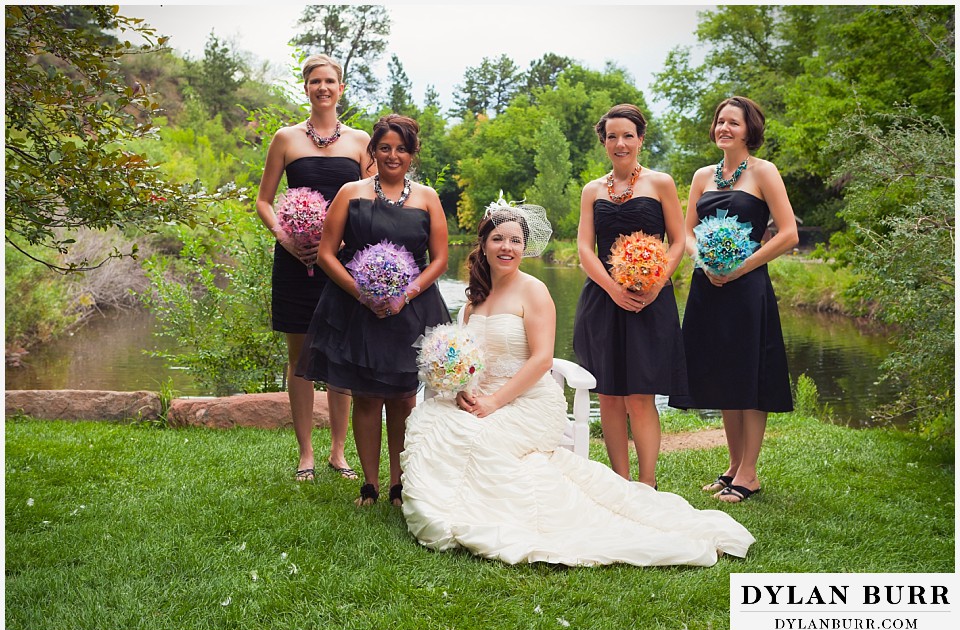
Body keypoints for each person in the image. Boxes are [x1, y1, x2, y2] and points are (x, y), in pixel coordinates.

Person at [400, 197, 754, 567]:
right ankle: (454, 501)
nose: (507, 247)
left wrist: (493, 402)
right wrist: (464, 391)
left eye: (515, 241)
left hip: (527, 402)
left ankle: (491, 511)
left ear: (525, 247)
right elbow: (467, 360)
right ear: (484, 245)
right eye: (498, 239)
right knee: (435, 422)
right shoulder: (473, 302)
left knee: (476, 438)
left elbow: (541, 360)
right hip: (480, 399)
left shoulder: (534, 291)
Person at [296, 114, 450, 507]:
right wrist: (361, 293)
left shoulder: (428, 198)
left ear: (412, 154)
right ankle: (369, 484)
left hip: (410, 309)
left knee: (403, 397)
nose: (392, 155)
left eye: (401, 149)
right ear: (373, 152)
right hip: (357, 308)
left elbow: (440, 260)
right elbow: (328, 254)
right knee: (365, 397)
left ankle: (398, 483)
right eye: (385, 148)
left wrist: (406, 294)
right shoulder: (351, 192)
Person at [669, 96, 798, 503]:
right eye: (720, 122)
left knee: (749, 374)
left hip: (747, 288)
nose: (724, 128)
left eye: (733, 123)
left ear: (749, 130)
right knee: (724, 374)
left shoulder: (764, 172)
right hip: (708, 285)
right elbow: (687, 231)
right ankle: (732, 465)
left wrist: (741, 267)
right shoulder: (702, 175)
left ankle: (750, 474)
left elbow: (788, 233)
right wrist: (702, 259)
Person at [255, 54, 371, 483]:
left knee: (339, 352)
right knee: (299, 356)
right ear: (305, 88)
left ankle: (338, 452)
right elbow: (264, 200)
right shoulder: (285, 138)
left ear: (341, 88)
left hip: (341, 261)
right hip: (295, 260)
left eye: (330, 81)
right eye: (314, 81)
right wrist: (285, 237)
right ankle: (306, 452)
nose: (323, 88)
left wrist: (343, 241)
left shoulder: (361, 143)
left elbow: (371, 199)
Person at [572, 104, 688, 487]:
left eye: (627, 135)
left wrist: (655, 284)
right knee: (608, 394)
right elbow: (585, 249)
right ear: (603, 142)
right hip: (603, 301)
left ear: (640, 138)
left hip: (650, 302)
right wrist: (612, 288)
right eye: (611, 136)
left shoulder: (661, 183)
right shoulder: (592, 190)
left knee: (640, 395)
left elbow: (678, 240)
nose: (620, 143)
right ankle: (621, 483)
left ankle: (647, 484)